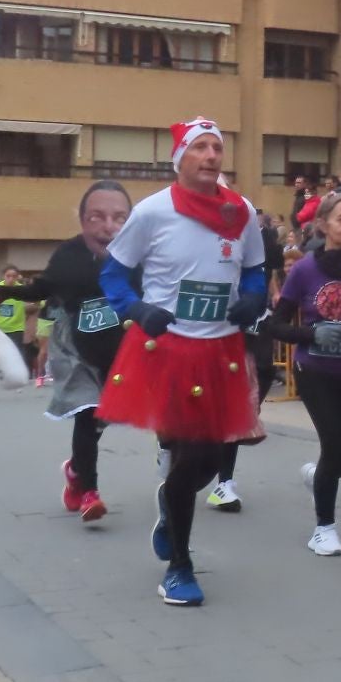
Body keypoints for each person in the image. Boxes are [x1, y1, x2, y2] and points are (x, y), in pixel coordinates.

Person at [95, 118, 269, 607]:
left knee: (211, 459)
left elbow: (255, 267)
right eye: (201, 147)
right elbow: (114, 274)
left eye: (217, 147)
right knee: (191, 452)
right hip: (166, 349)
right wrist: (136, 309)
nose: (212, 155)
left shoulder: (242, 212)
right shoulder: (153, 212)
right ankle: (180, 567)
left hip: (221, 350)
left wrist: (253, 299)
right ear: (181, 159)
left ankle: (170, 501)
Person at [0, 181, 134, 522]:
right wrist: (7, 291)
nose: (108, 225)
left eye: (119, 217)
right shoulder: (68, 254)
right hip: (75, 347)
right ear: (83, 220)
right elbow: (42, 287)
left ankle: (74, 470)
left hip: (120, 347)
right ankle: (90, 492)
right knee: (89, 413)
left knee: (103, 419)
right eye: (97, 216)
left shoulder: (137, 253)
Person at [269, 192, 341, 556]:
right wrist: (312, 332)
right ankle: (324, 528)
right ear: (323, 225)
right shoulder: (303, 269)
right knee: (333, 444)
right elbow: (277, 325)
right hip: (313, 369)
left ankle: (318, 476)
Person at [0, 266, 27, 402]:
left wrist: (34, 304)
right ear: (3, 276)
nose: (11, 279)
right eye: (8, 276)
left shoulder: (21, 290)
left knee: (16, 356)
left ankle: (18, 382)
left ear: (18, 277)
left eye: (14, 276)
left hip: (16, 328)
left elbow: (38, 302)